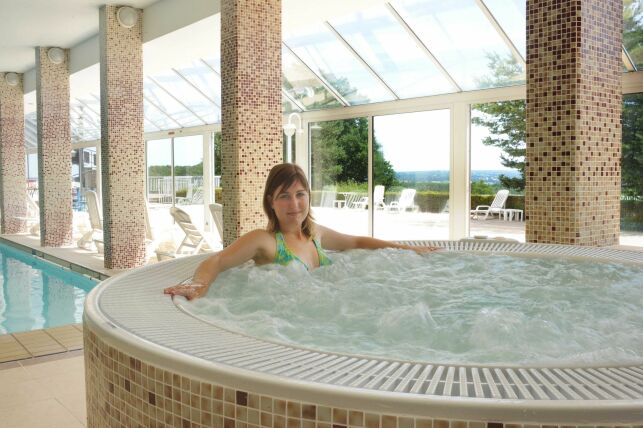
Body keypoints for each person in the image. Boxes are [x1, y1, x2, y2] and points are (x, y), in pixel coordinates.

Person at [164, 163, 440, 300]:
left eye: (300, 194)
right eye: (284, 196)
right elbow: (218, 260)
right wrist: (199, 285)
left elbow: (356, 241)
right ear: (271, 201)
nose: (294, 204)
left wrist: (408, 249)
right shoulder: (266, 241)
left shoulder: (315, 234)